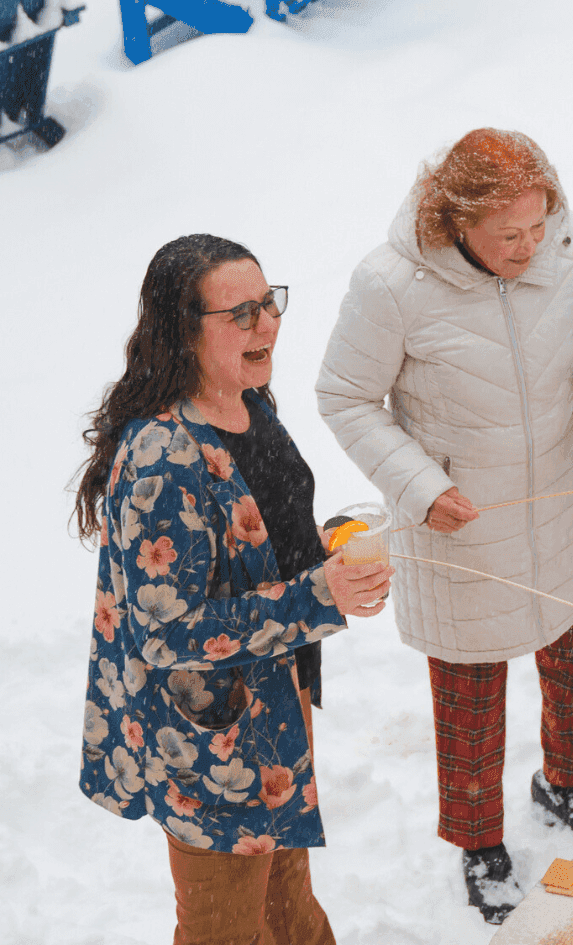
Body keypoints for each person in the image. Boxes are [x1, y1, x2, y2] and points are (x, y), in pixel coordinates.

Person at [316, 128, 573, 924]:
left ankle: (566, 780)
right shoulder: (390, 284)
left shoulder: (567, 242)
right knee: (469, 691)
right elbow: (345, 396)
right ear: (455, 222)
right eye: (509, 236)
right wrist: (421, 487)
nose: (530, 246)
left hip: (558, 499)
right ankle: (480, 842)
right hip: (458, 525)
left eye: (538, 226)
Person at [73, 234, 392, 945]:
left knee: (291, 915)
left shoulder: (248, 402)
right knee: (226, 932)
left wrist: (335, 550)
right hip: (209, 745)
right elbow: (166, 630)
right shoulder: (163, 456)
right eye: (240, 314)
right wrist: (318, 596)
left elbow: (260, 536)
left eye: (268, 302)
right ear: (185, 331)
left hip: (278, 708)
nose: (267, 324)